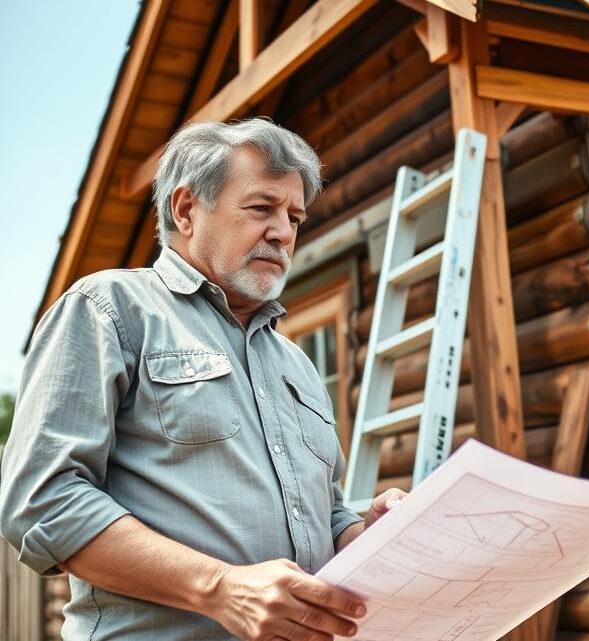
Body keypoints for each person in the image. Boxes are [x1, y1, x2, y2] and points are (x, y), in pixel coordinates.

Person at [0, 118, 405, 640]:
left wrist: (368, 536)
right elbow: (44, 501)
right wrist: (220, 587)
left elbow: (325, 515)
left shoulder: (295, 363)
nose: (283, 232)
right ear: (187, 209)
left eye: (295, 217)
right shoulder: (108, 309)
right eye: (262, 208)